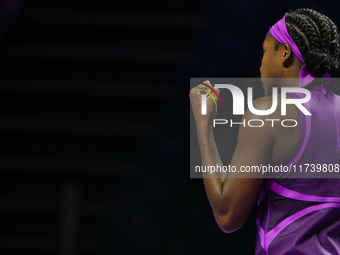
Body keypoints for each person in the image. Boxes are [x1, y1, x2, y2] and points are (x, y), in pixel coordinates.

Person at [189, 8, 340, 254]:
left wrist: (203, 125)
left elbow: (227, 216)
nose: (260, 64)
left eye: (265, 51)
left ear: (285, 53)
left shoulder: (269, 111)